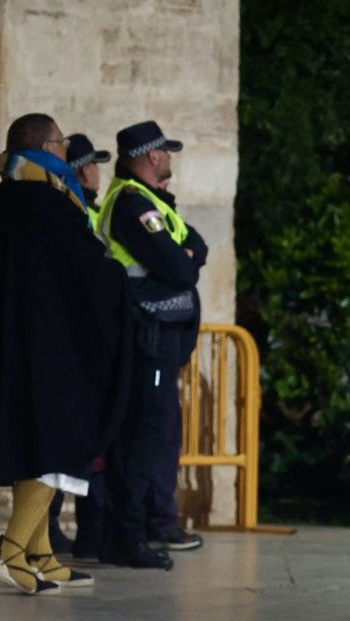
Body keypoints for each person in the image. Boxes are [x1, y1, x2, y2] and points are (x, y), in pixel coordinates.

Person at [0, 113, 130, 594]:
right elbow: (83, 268)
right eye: (62, 142)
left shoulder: (13, 198)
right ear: (46, 146)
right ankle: (11, 548)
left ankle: (40, 552)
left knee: (36, 445)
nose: (66, 150)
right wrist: (117, 279)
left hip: (24, 345)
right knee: (59, 442)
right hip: (51, 349)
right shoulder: (43, 201)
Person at [98, 121, 208, 569]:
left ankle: (134, 531)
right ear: (152, 156)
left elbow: (196, 248)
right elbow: (181, 270)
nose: (169, 159)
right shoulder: (131, 204)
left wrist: (184, 258)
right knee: (144, 436)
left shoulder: (150, 202)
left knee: (151, 434)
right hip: (147, 336)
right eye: (165, 152)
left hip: (159, 337)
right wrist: (182, 262)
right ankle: (129, 534)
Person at [45, 132, 116, 560]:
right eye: (89, 163)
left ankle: (88, 530)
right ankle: (49, 527)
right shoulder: (69, 209)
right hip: (73, 338)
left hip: (89, 334)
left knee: (90, 442)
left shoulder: (87, 208)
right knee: (63, 440)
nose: (94, 171)